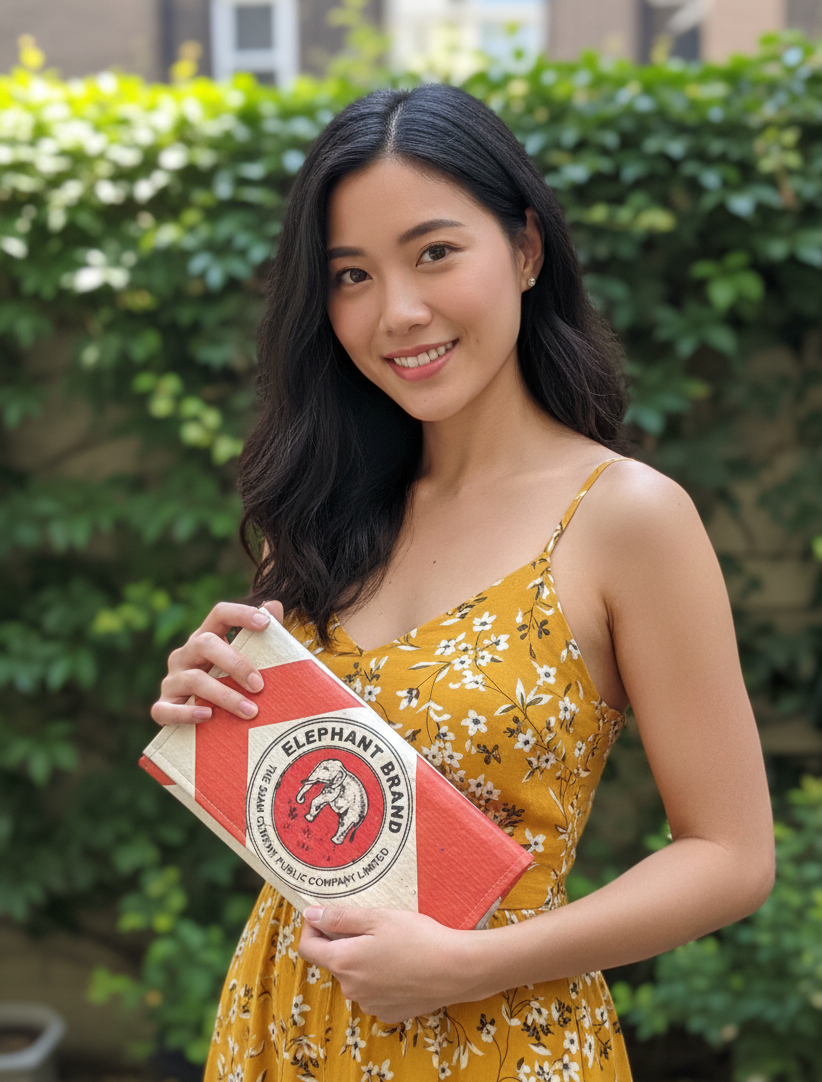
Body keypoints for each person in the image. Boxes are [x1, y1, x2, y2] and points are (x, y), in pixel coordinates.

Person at [151, 83, 775, 1081]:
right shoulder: (330, 506)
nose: (397, 311)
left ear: (525, 250)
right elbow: (318, 814)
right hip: (282, 1026)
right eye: (351, 274)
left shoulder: (627, 517)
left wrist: (470, 962)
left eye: (434, 252)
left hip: (498, 1037)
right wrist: (211, 709)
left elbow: (733, 855)